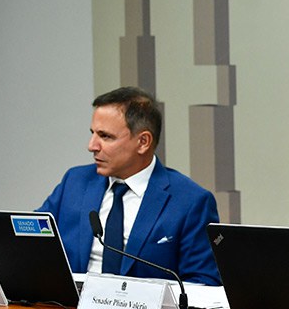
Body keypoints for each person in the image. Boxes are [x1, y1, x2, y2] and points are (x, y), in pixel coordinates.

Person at [39, 87, 221, 285]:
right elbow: (33, 240)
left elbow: (204, 282)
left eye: (105, 136)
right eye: (93, 134)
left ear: (143, 142)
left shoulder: (190, 201)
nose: (91, 146)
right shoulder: (75, 182)